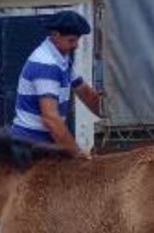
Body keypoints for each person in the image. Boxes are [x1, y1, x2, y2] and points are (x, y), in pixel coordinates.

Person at [8, 10, 103, 156]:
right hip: (31, 145)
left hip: (43, 141)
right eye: (71, 40)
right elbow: (51, 119)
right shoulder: (46, 64)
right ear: (55, 35)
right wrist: (77, 154)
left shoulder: (62, 60)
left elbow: (84, 92)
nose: (76, 46)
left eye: (77, 40)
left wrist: (111, 116)